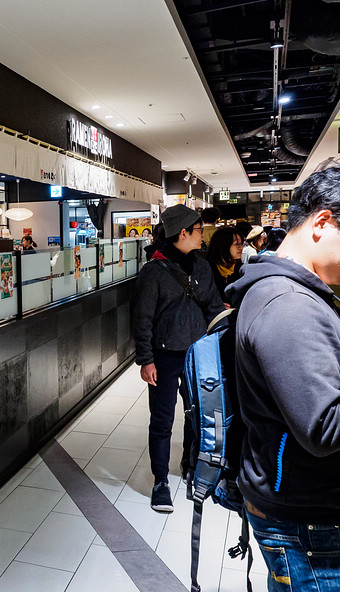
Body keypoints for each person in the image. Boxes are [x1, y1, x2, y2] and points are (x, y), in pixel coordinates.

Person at [225, 161, 340, 592]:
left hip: (328, 508)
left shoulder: (299, 293)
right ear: (323, 222)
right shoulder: (286, 303)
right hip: (313, 522)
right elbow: (323, 425)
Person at [131, 204, 224, 513]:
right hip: (164, 356)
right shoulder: (153, 271)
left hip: (197, 355)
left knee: (196, 415)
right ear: (183, 233)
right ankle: (160, 481)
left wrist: (216, 347)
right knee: (162, 419)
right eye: (198, 231)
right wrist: (146, 359)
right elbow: (142, 318)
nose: (203, 236)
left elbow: (212, 309)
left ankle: (189, 464)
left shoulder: (202, 268)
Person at [203, 226, 243, 306]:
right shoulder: (206, 271)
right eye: (236, 244)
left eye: (241, 243)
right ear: (222, 246)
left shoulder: (242, 270)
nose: (240, 247)